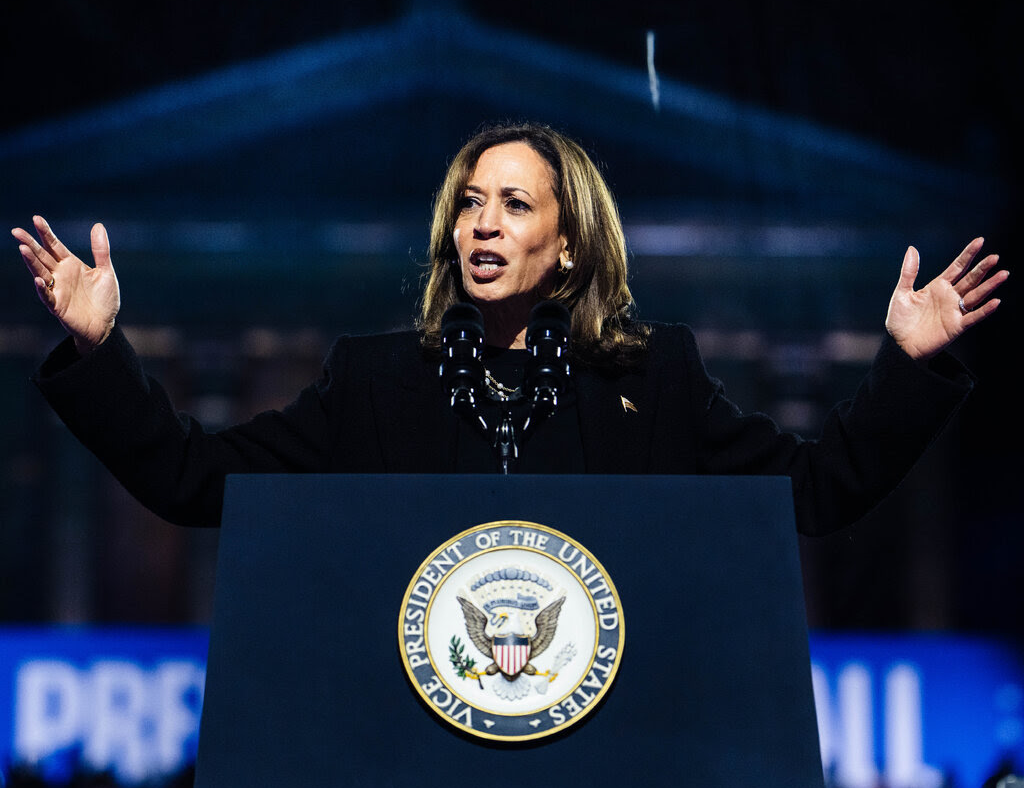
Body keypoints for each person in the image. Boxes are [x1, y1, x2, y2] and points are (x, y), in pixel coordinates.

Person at [12, 122, 1008, 535]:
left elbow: (815, 491)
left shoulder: (653, 378)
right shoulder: (372, 382)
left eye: (516, 205)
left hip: (608, 759)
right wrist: (100, 353)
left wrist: (909, 372)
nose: (485, 222)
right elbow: (191, 480)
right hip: (416, 758)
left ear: (566, 244)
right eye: (470, 202)